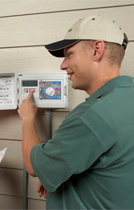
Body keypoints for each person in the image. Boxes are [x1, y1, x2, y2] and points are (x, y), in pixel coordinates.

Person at [18, 15, 134, 209]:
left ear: (97, 50)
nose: (63, 65)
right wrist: (59, 172)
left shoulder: (90, 117)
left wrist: (28, 119)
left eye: (69, 54)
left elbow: (32, 165)